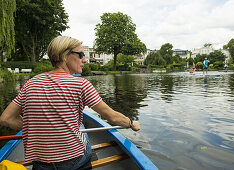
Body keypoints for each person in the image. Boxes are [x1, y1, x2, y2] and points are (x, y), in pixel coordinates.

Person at [0, 36, 140, 170]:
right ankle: (88, 157)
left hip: (41, 164)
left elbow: (6, 119)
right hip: (73, 161)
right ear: (65, 56)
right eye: (81, 55)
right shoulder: (81, 84)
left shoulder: (31, 83)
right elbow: (113, 117)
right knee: (80, 124)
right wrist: (131, 123)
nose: (84, 60)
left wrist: (36, 128)